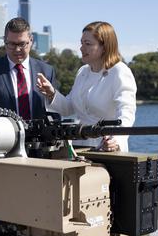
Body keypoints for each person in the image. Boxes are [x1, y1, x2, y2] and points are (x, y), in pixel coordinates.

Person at [36, 21, 136, 152]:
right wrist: (51, 93)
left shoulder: (119, 71)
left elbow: (126, 112)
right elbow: (68, 107)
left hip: (108, 149)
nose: (82, 48)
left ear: (104, 47)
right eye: (81, 43)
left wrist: (116, 140)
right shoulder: (83, 72)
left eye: (87, 44)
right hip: (80, 148)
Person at [0, 17, 59, 120]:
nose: (17, 49)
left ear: (31, 40)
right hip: (3, 135)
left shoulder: (47, 71)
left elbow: (55, 112)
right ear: (4, 41)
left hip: (39, 135)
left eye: (22, 44)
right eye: (12, 44)